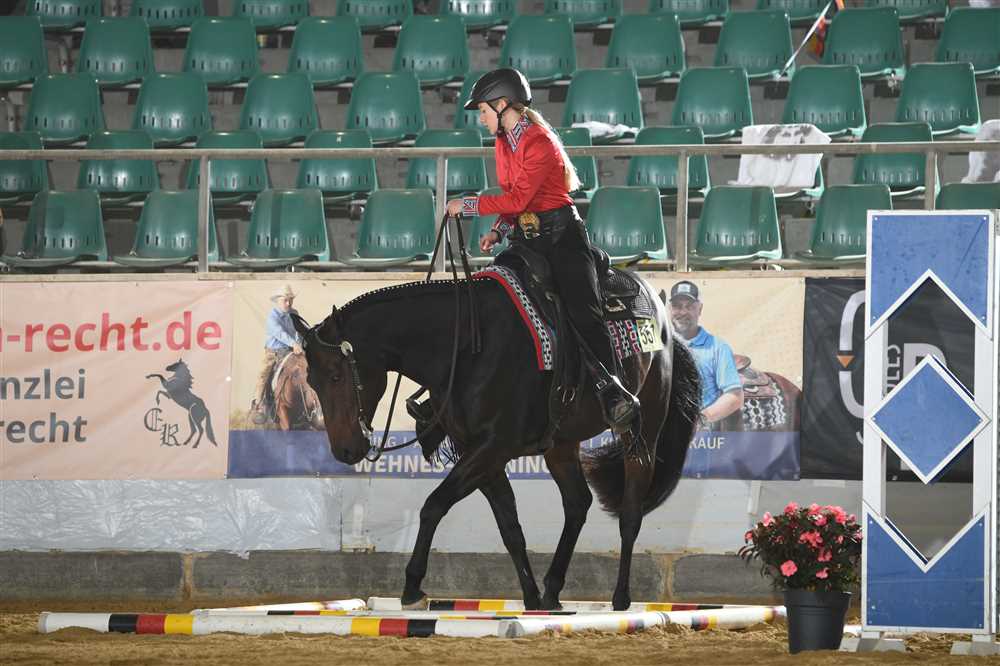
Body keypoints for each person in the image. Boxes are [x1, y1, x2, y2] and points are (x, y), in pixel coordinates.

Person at [441, 67, 640, 436]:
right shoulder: (503, 142)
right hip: (528, 238)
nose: (481, 118)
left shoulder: (540, 142)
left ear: (502, 105)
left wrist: (467, 206)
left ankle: (612, 390)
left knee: (583, 310)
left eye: (483, 111)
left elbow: (519, 197)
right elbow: (514, 196)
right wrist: (499, 229)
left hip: (563, 238)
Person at [668, 280, 744, 429]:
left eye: (689, 306)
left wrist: (699, 421)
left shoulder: (718, 348)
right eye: (677, 306)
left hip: (703, 437)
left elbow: (735, 396)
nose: (683, 312)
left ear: (700, 309)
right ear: (670, 309)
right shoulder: (658, 346)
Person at [251, 284, 303, 422]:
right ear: (278, 301)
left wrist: (299, 343)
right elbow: (279, 333)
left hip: (291, 351)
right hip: (273, 353)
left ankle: (315, 404)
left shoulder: (294, 313)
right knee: (264, 374)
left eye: (290, 300)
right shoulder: (272, 317)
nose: (288, 303)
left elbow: (299, 330)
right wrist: (294, 344)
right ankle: (259, 405)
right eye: (285, 300)